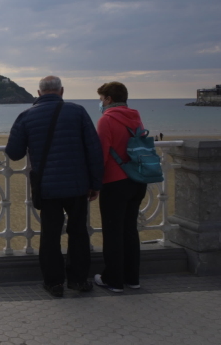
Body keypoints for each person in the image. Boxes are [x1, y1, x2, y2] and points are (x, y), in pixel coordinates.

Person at [5, 75, 103, 298]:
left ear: (38, 93)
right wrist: (96, 183)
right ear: (62, 91)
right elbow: (93, 149)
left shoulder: (26, 116)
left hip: (47, 187)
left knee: (50, 234)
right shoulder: (78, 112)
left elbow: (14, 152)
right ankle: (78, 280)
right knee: (78, 232)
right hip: (78, 186)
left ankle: (54, 283)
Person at [94, 81, 147, 293]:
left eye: (101, 99)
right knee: (130, 230)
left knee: (113, 231)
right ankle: (132, 278)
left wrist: (95, 183)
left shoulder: (106, 120)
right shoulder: (136, 117)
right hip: (137, 180)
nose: (100, 103)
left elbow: (101, 155)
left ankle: (113, 280)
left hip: (115, 183)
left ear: (108, 99)